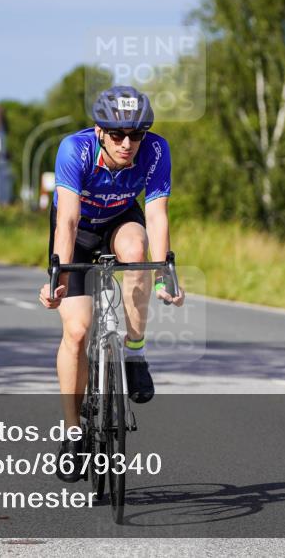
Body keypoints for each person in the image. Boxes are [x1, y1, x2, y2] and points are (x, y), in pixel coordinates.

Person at [37, 85, 184, 483]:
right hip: (79, 232)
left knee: (138, 251)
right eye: (117, 134)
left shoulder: (155, 150)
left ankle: (134, 353)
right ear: (99, 131)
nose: (127, 143)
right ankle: (72, 433)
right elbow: (66, 219)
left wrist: (165, 275)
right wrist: (59, 275)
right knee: (78, 330)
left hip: (121, 219)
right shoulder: (75, 149)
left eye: (136, 134)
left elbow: (156, 216)